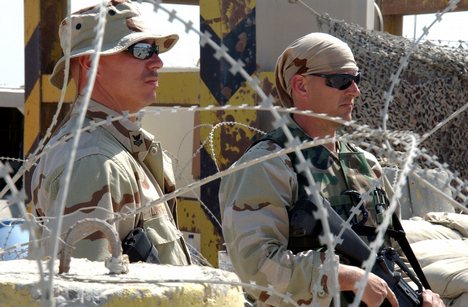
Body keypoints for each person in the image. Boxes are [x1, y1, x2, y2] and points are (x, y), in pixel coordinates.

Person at [219, 33, 444, 306]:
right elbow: (255, 269)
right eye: (341, 81)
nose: (355, 90)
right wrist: (342, 276)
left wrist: (421, 294)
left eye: (356, 79)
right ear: (301, 86)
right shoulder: (267, 166)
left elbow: (392, 252)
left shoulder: (367, 165)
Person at [30, 0, 190, 265]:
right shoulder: (94, 161)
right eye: (141, 50)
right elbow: (85, 293)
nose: (157, 61)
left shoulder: (118, 147)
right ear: (91, 63)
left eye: (156, 50)